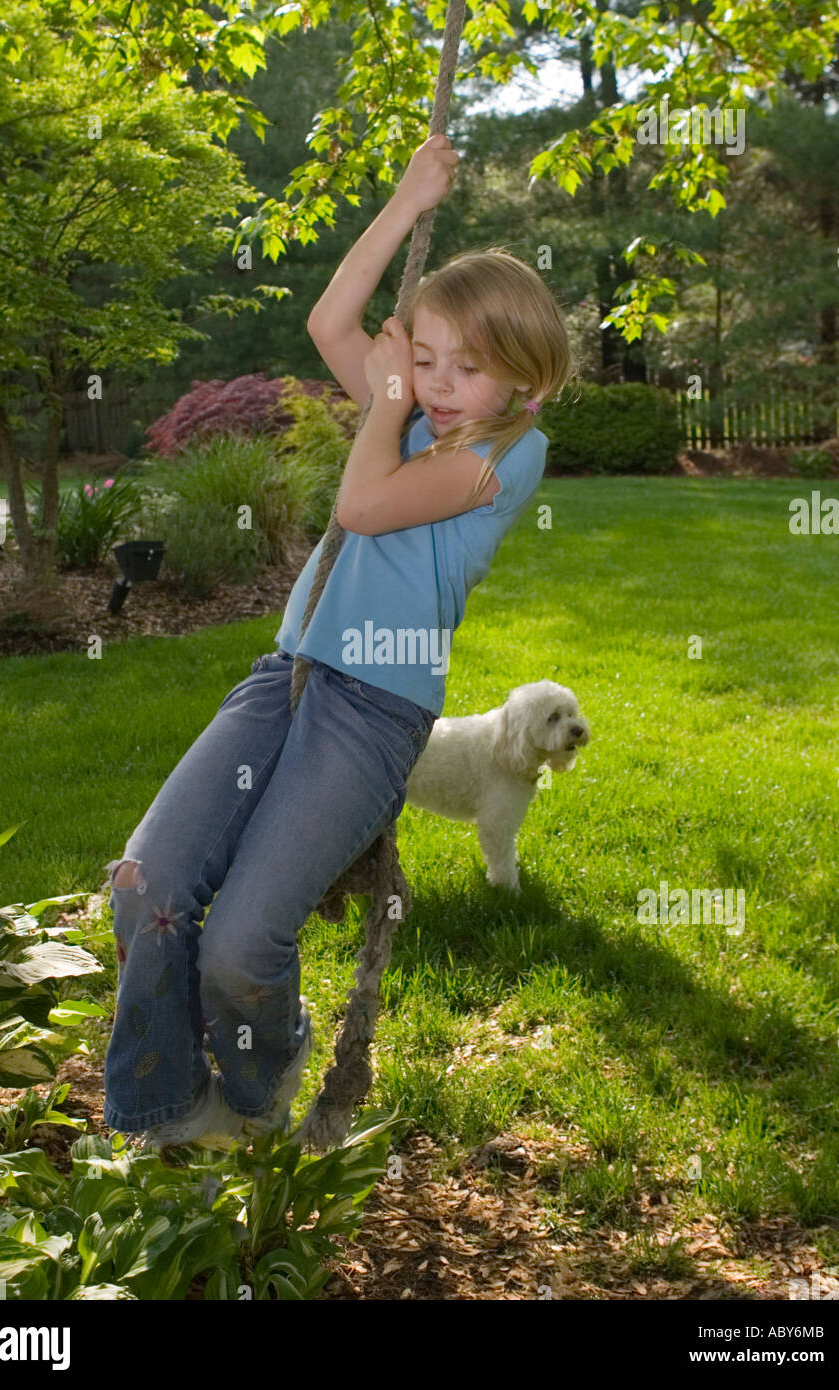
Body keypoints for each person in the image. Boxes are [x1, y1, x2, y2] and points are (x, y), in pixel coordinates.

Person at [101, 133, 575, 1151]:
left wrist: (393, 392)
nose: (442, 383)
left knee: (240, 945)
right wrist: (406, 201)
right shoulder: (406, 410)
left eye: (472, 368)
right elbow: (328, 318)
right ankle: (177, 1111)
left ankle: (259, 1088)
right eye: (428, 355)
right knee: (145, 887)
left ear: (525, 382)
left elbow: (362, 503)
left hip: (375, 713)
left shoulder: (506, 456)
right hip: (289, 674)